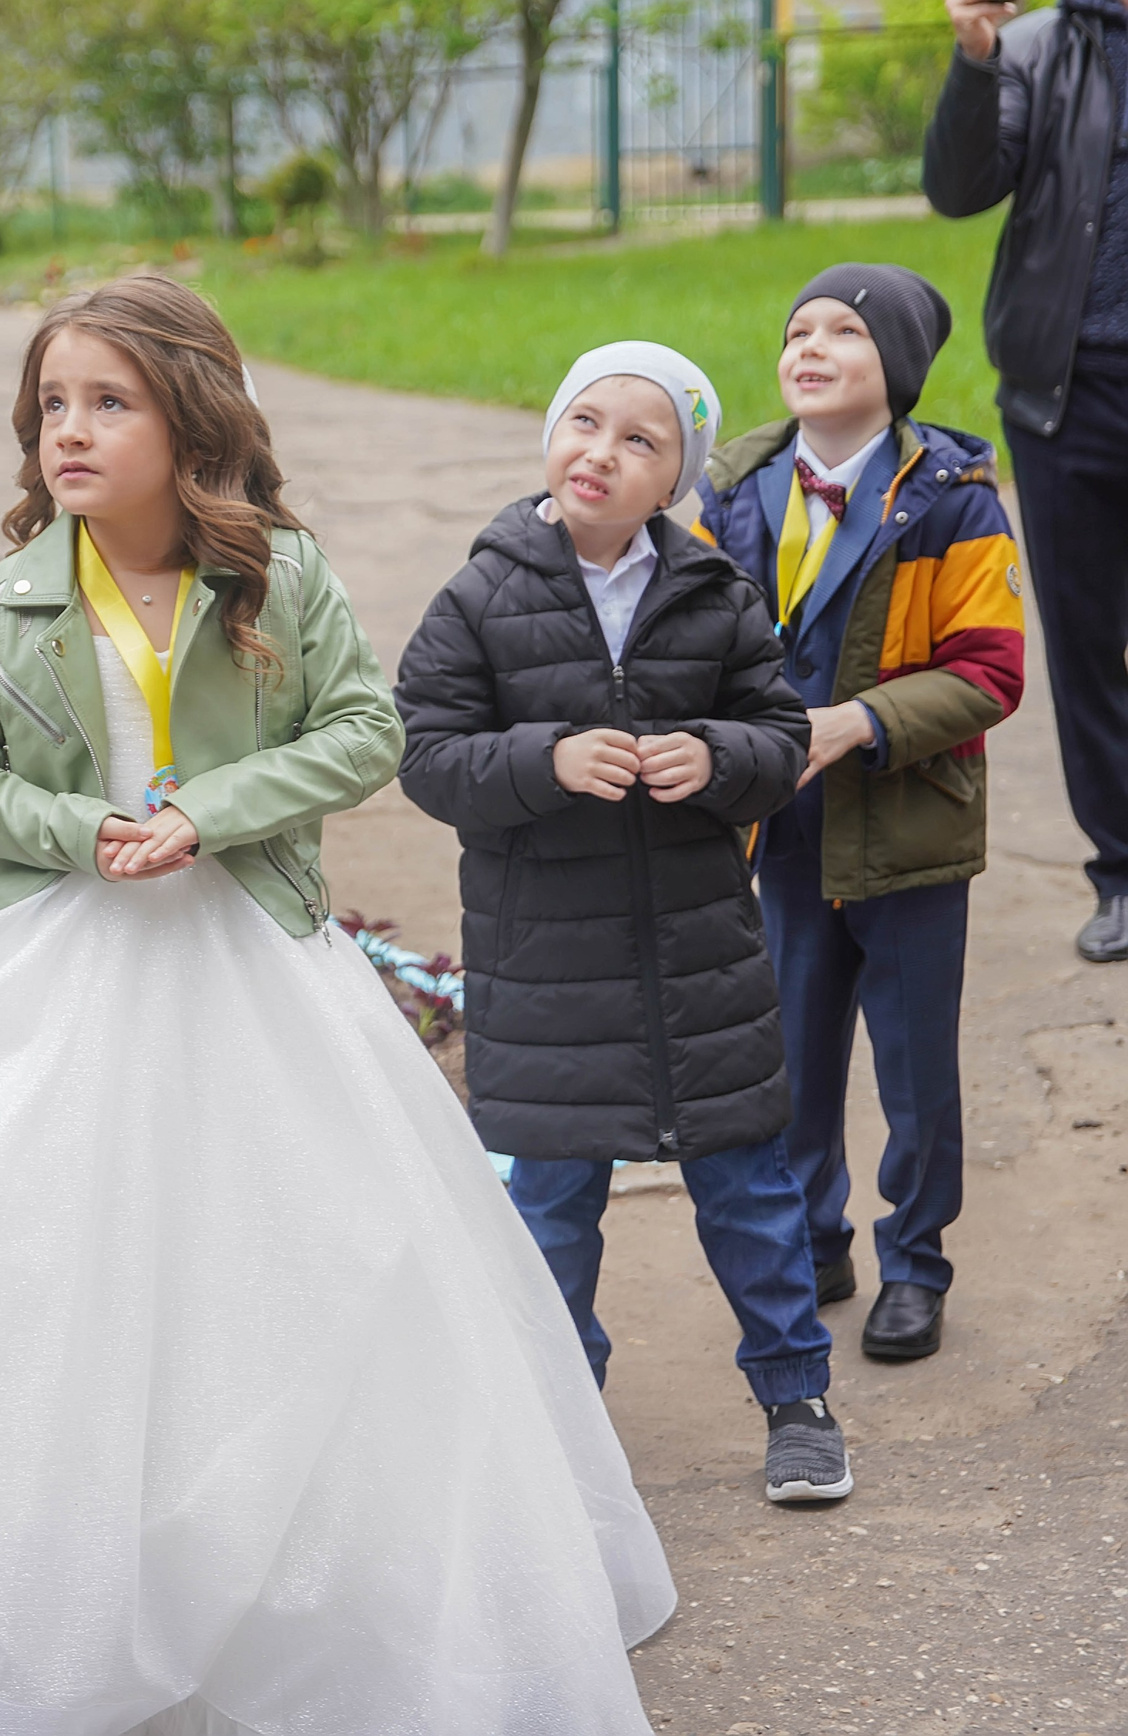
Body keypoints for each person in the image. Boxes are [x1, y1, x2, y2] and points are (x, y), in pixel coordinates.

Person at [0, 276, 676, 1736]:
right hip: (59, 952)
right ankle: (60, 1605)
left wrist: (215, 810)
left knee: (302, 1261)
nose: (70, 431)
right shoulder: (9, 595)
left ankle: (335, 1596)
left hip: (251, 954)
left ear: (192, 420)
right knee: (46, 1270)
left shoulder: (276, 576)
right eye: (52, 404)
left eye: (110, 403)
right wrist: (73, 831)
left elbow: (364, 728)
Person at [395, 342, 850, 1504]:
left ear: (675, 479)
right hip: (545, 972)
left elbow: (779, 734)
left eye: (639, 440)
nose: (600, 450)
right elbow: (426, 752)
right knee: (549, 1208)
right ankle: (559, 1411)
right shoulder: (482, 592)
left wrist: (714, 756)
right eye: (584, 421)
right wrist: (543, 758)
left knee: (751, 1191)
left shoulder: (711, 595)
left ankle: (796, 1395)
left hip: (701, 961)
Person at [694, 266, 1024, 1363]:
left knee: (913, 1068)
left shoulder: (955, 497)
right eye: (797, 328)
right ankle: (816, 1236)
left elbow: (988, 672)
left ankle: (916, 1261)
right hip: (779, 830)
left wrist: (852, 724)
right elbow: (691, 639)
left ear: (897, 367)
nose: (812, 344)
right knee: (790, 1052)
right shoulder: (734, 488)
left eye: (844, 329)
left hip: (907, 831)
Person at [924, 0, 1128, 962]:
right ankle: (1122, 872)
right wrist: (975, 58)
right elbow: (959, 187)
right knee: (1087, 643)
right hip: (1070, 391)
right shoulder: (1037, 49)